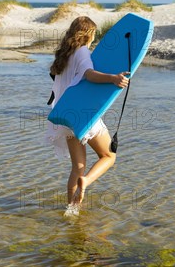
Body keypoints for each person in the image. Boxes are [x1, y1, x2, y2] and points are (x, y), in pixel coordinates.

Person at [44, 16, 129, 210]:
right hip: (83, 115)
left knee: (77, 167)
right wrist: (113, 79)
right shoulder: (82, 52)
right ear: (89, 34)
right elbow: (88, 74)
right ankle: (87, 181)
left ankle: (71, 211)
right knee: (109, 156)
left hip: (65, 115)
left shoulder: (64, 56)